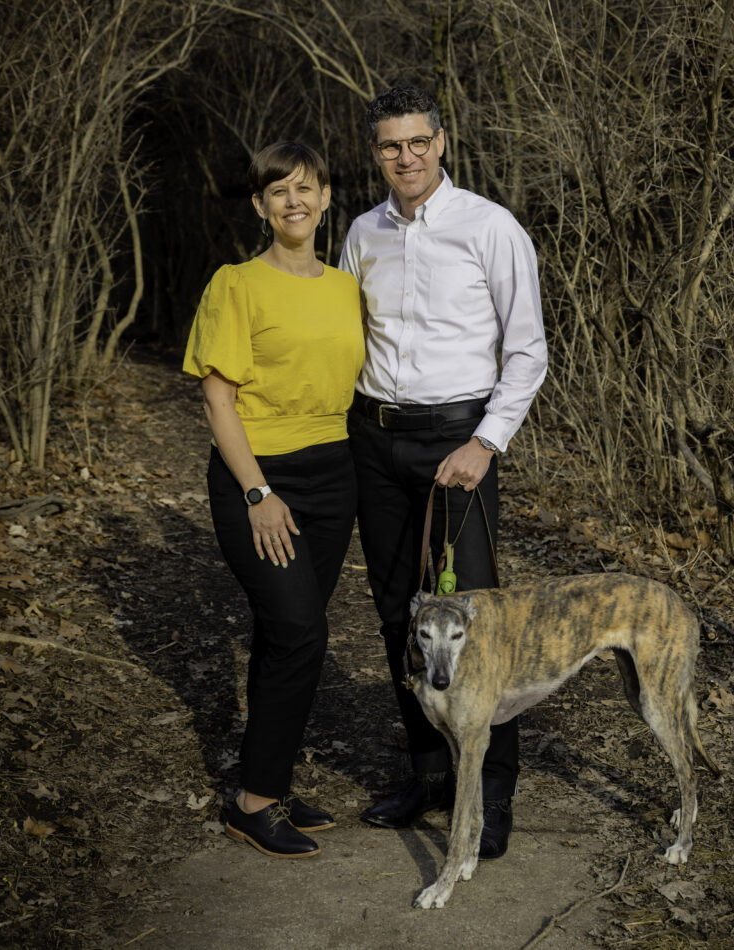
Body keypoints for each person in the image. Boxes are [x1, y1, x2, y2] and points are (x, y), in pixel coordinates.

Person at [339, 85, 547, 859]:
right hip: (376, 440)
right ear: (376, 154)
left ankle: (491, 800)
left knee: (475, 625)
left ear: (441, 141)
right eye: (391, 146)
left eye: (417, 141)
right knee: (401, 617)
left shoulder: (491, 228)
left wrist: (486, 443)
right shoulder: (362, 233)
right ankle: (428, 777)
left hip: (460, 443)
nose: (406, 156)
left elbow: (527, 351)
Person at [183, 141, 364, 858]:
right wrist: (258, 491)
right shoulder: (237, 284)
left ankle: (270, 779)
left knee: (287, 633)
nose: (296, 201)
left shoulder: (346, 287)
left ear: (325, 199)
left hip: (334, 473)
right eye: (279, 191)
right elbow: (217, 399)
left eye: (307, 188)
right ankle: (254, 804)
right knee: (301, 633)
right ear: (260, 205)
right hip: (258, 477)